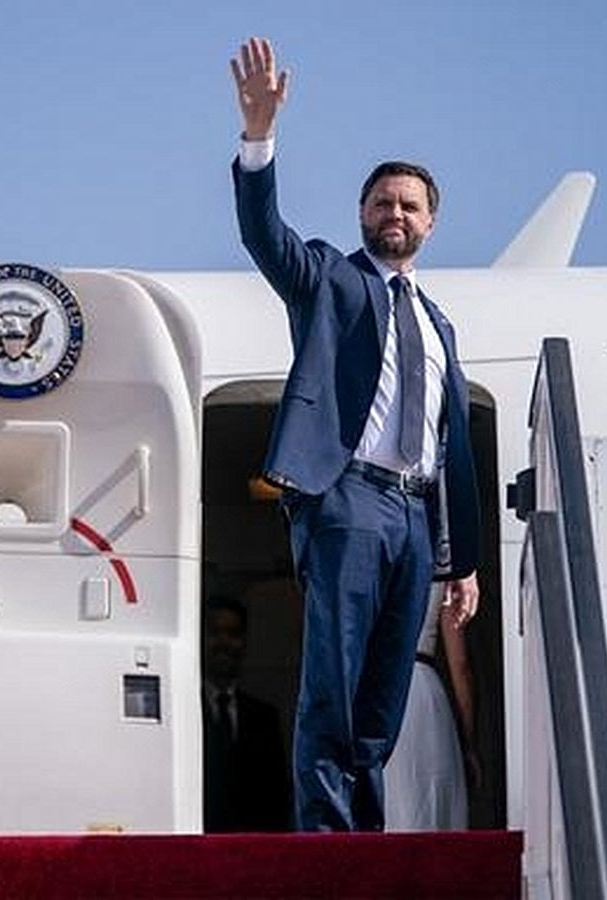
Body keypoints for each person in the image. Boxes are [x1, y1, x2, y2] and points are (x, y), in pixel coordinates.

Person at [229, 36, 481, 832]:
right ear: (362, 215)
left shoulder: (439, 326)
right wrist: (259, 137)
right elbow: (264, 234)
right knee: (334, 681)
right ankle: (326, 844)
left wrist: (461, 560)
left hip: (414, 517)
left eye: (409, 206)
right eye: (381, 203)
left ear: (430, 223)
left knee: (382, 699)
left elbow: (449, 448)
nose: (394, 214)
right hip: (350, 500)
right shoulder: (329, 280)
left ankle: (363, 843)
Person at [383, 586, 481, 831]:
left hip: (381, 692)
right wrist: (469, 745)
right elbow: (460, 666)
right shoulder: (444, 569)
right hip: (424, 695)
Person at [202, 594, 292, 832]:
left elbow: (277, 798)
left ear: (244, 642)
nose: (224, 642)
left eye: (233, 634)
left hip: (252, 845)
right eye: (214, 632)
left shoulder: (264, 718)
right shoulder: (185, 712)